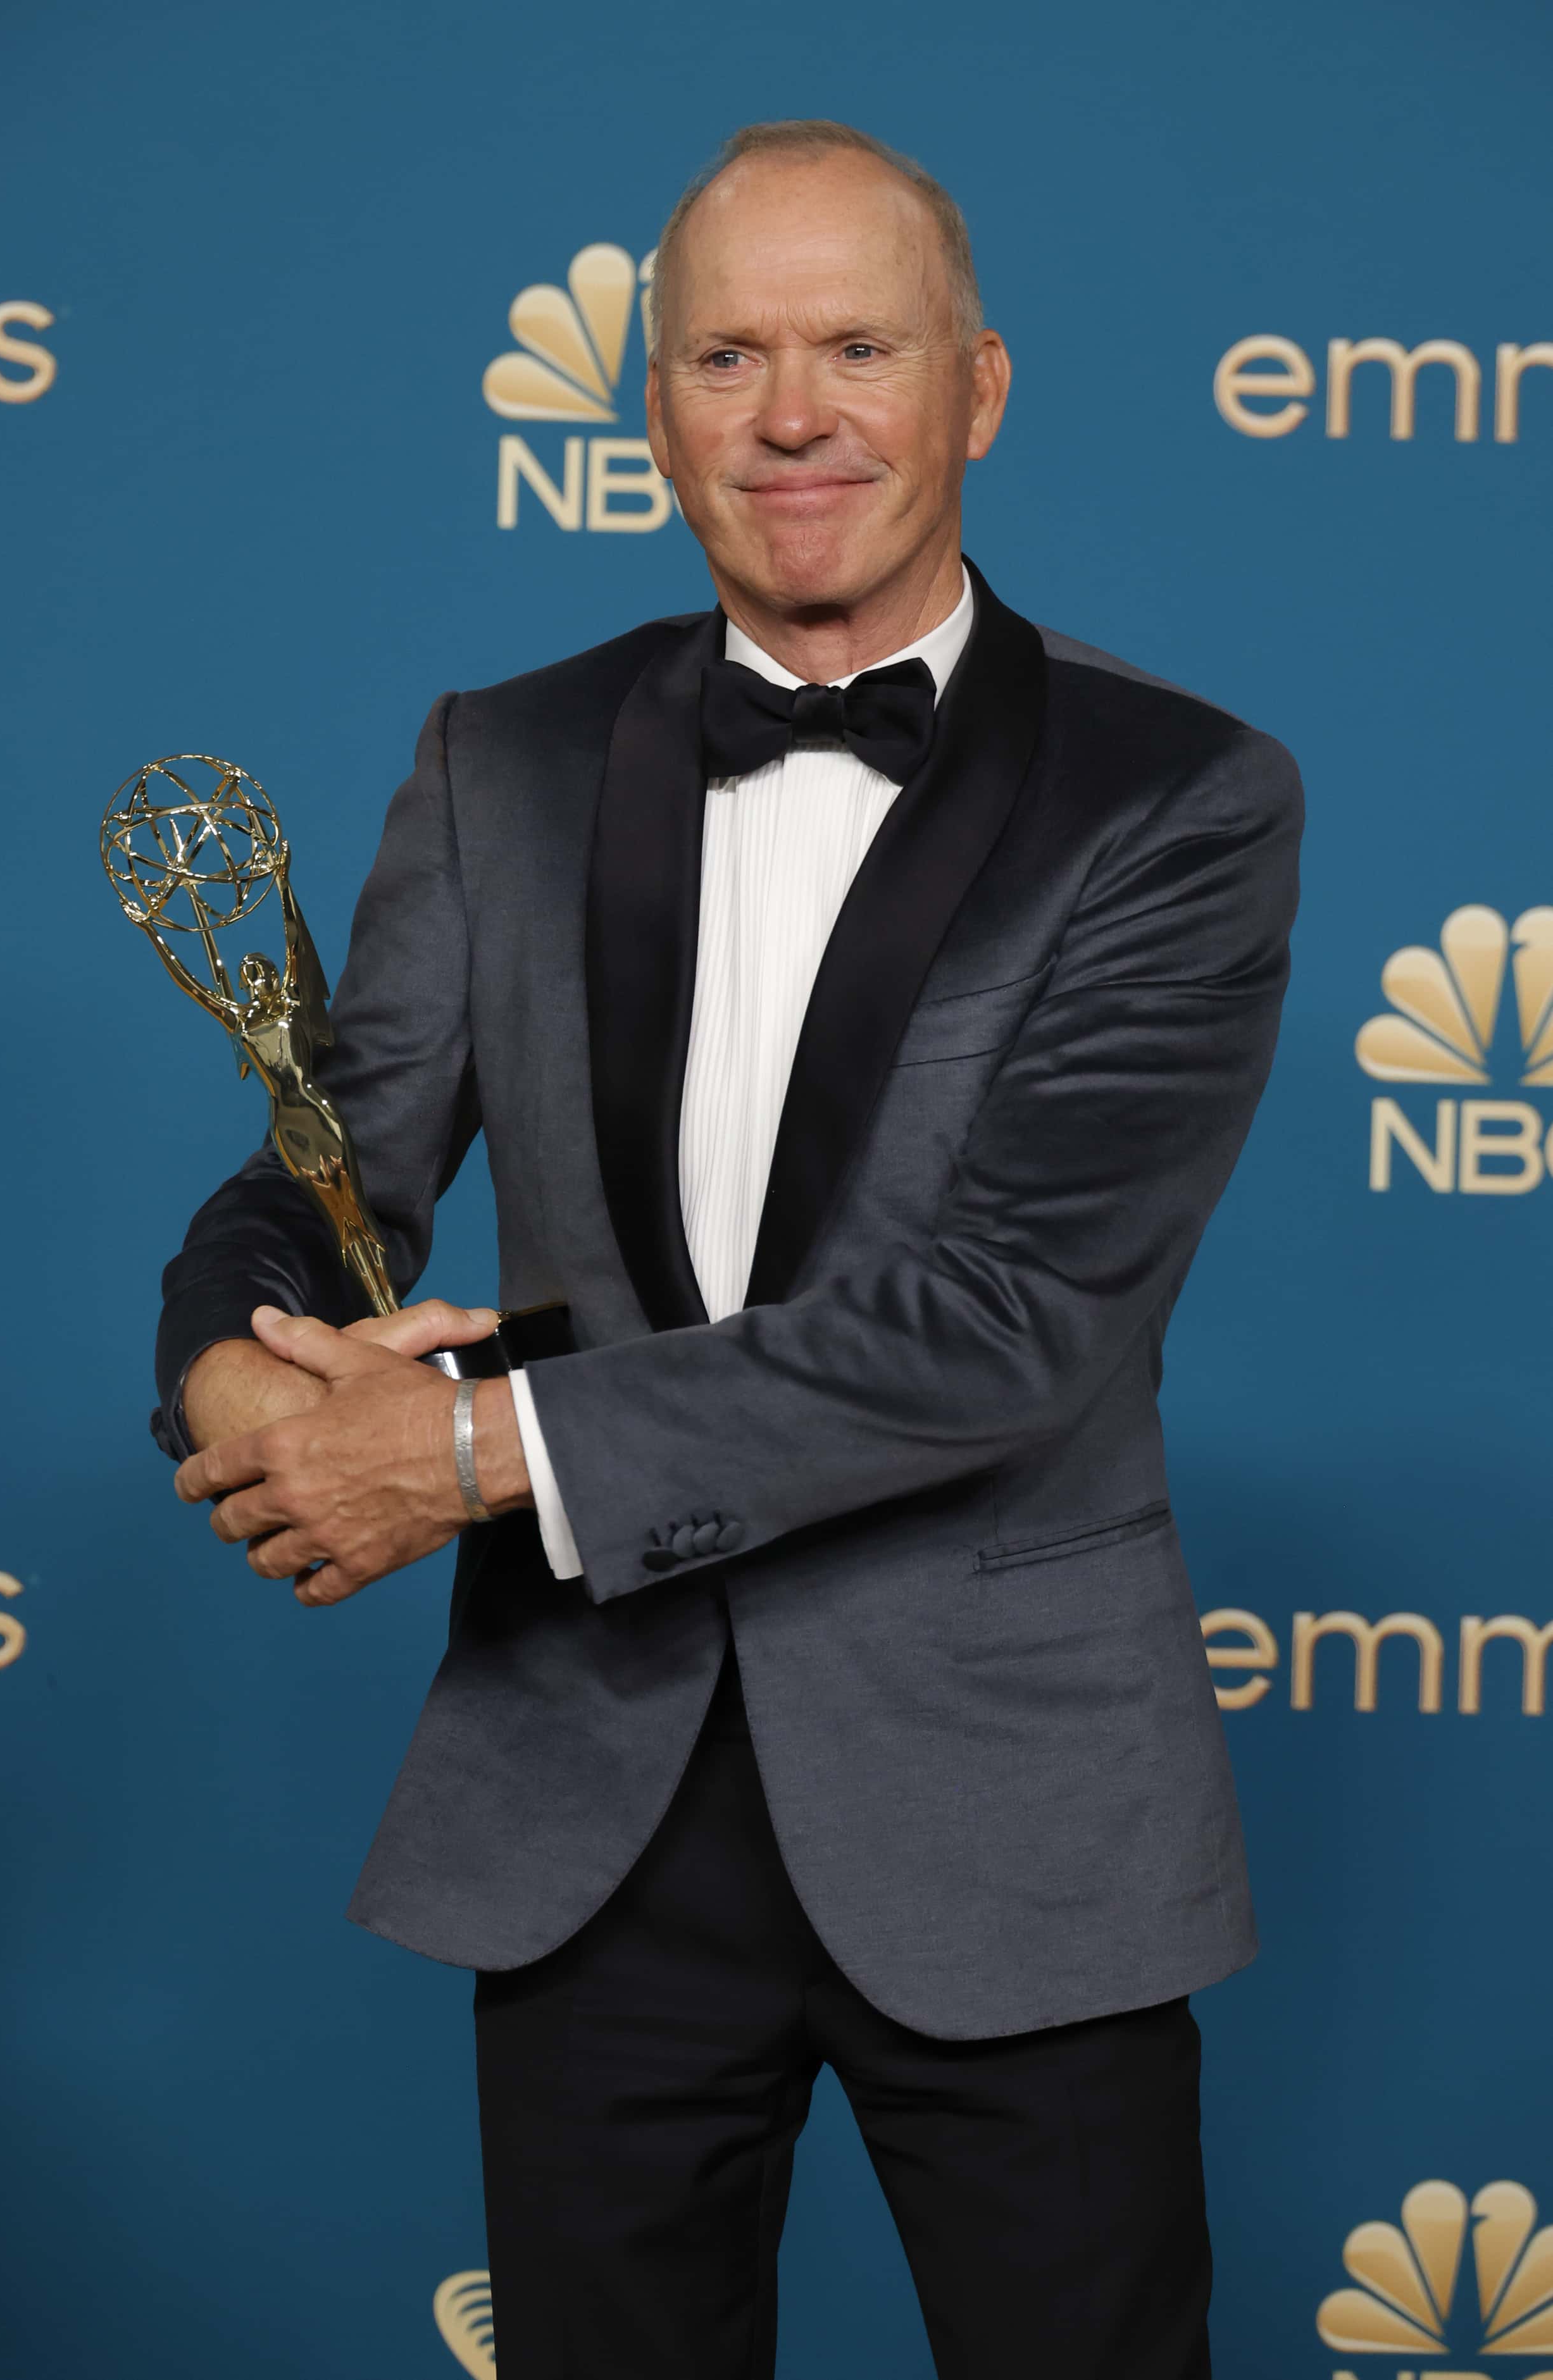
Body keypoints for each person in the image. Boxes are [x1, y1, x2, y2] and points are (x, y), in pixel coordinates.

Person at [158, 118, 1302, 2380]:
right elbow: (328, 1177)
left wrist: (471, 1453)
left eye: (855, 348)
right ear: (652, 400)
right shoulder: (501, 759)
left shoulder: (1178, 799)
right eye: (725, 355)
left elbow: (1000, 1331)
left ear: (974, 388)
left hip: (1012, 1817)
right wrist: (235, 1370)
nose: (792, 417)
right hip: (586, 1809)